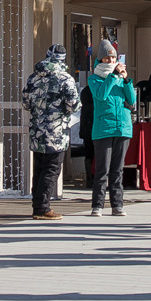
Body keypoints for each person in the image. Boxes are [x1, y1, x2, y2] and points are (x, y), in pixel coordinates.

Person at [21, 44, 81, 219]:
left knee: (39, 169)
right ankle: (42, 208)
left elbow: (25, 103)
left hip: (37, 132)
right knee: (52, 169)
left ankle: (37, 204)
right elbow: (73, 104)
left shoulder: (33, 77)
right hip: (56, 132)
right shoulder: (65, 79)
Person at [86, 42, 136, 218]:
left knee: (118, 169)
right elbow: (101, 95)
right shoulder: (94, 78)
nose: (111, 60)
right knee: (102, 170)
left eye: (113, 57)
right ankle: (97, 205)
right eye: (107, 57)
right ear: (100, 59)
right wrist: (113, 77)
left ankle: (117, 205)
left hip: (122, 127)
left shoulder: (120, 78)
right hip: (103, 128)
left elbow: (132, 101)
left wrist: (127, 81)